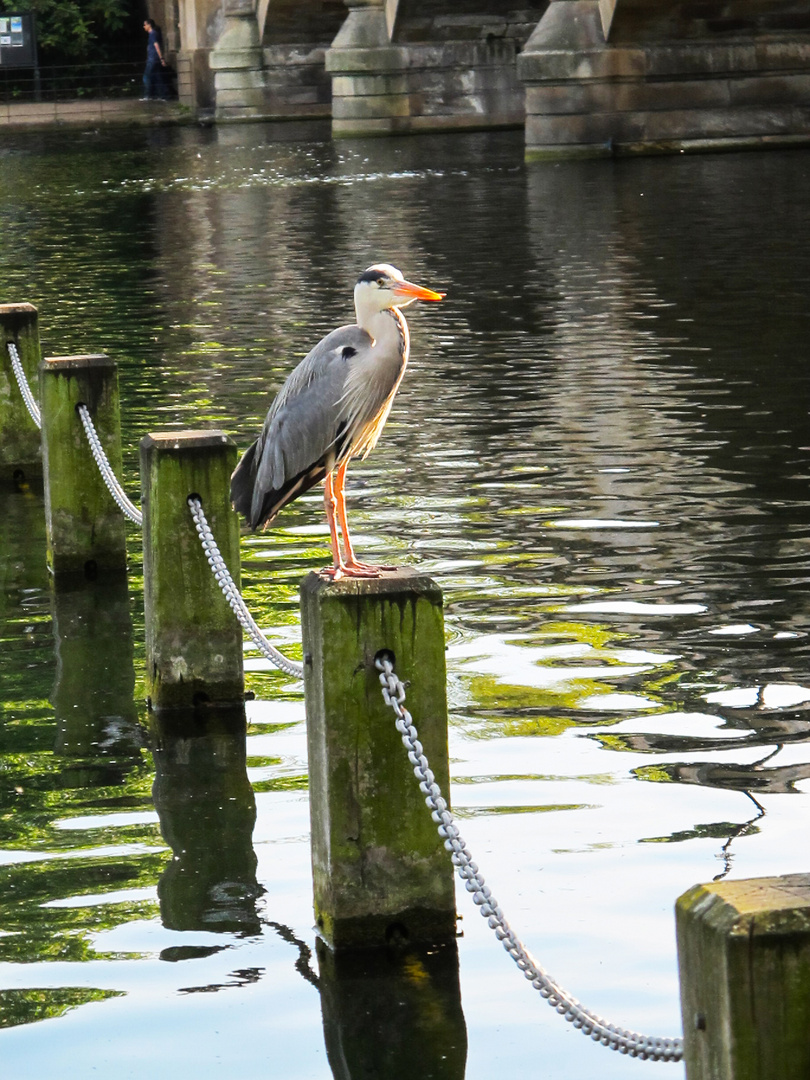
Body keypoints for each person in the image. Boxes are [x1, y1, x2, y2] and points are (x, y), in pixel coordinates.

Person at [141, 18, 168, 100]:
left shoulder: (152, 34)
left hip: (153, 59)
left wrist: (161, 58)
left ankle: (148, 95)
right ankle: (163, 95)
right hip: (153, 58)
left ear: (149, 25)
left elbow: (156, 46)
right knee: (157, 77)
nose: (144, 27)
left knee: (146, 77)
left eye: (145, 25)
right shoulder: (153, 34)